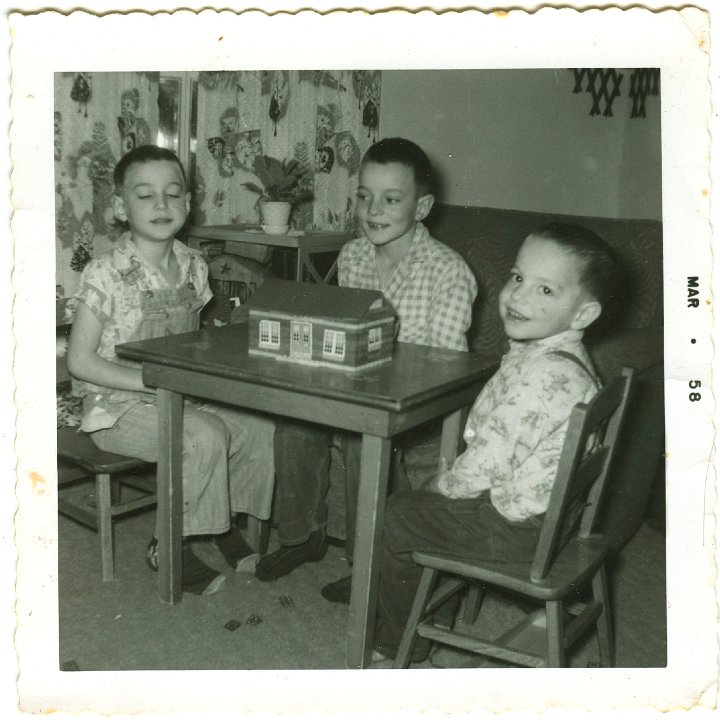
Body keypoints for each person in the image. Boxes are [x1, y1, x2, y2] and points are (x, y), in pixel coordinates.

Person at [370, 222, 619, 664]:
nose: (519, 295)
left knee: (399, 513)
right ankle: (435, 609)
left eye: (546, 290)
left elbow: (487, 464)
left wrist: (440, 488)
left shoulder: (542, 376)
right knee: (434, 493)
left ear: (582, 315)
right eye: (519, 278)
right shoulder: (559, 358)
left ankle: (399, 638)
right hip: (553, 517)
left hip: (517, 531)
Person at [255, 138, 478, 598]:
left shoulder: (448, 272)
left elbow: (446, 371)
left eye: (392, 199)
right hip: (357, 393)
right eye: (364, 196)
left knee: (362, 439)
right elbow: (340, 330)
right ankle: (304, 536)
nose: (373, 209)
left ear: (422, 208)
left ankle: (368, 566)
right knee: (294, 422)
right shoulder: (353, 255)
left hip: (423, 414)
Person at [67, 145, 275, 596]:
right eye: (145, 196)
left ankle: (217, 525)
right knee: (203, 435)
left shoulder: (194, 267)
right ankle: (169, 545)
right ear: (121, 208)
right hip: (118, 407)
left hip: (178, 392)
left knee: (257, 425)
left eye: (173, 194)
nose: (161, 205)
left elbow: (191, 341)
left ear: (188, 203)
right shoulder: (105, 273)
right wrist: (149, 383)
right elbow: (79, 361)